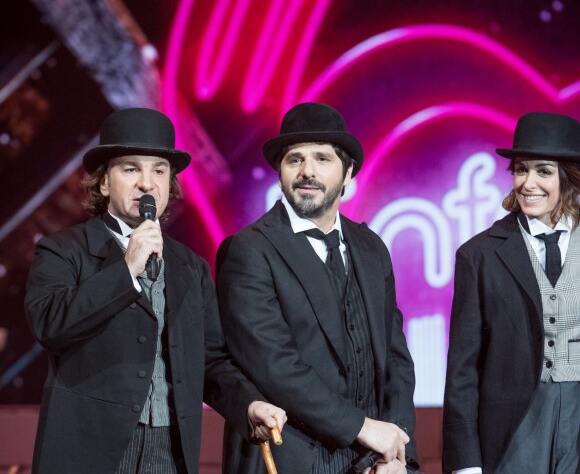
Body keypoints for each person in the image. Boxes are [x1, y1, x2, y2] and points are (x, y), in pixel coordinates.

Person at [25, 108, 286, 474]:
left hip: (169, 450)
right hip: (92, 449)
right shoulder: (64, 250)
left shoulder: (190, 267)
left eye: (159, 171)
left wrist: (248, 405)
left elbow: (209, 360)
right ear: (103, 183)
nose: (147, 184)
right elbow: (50, 325)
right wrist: (126, 269)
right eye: (131, 169)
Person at [216, 102, 420, 473]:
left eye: (322, 159)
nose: (307, 171)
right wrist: (362, 428)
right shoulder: (249, 249)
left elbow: (396, 360)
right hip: (290, 457)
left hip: (372, 461)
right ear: (279, 173)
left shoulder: (371, 247)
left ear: (348, 173)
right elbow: (273, 365)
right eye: (295, 160)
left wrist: (397, 447)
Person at [443, 111, 580, 474]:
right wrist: (465, 462)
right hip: (514, 429)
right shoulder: (479, 255)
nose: (528, 183)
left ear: (569, 178)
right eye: (521, 169)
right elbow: (462, 370)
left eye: (543, 171)